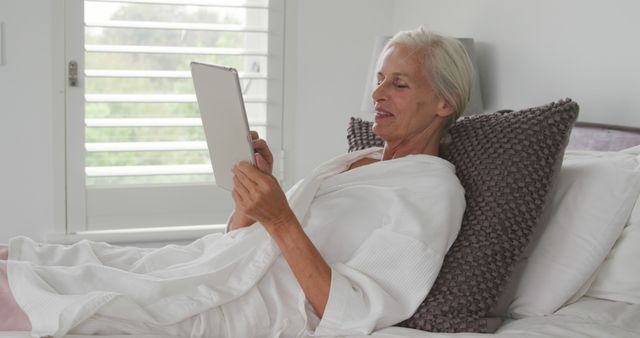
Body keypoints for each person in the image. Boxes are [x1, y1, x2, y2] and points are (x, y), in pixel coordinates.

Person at [1, 27, 472, 337]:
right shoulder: (357, 160)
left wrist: (282, 217)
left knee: (76, 301)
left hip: (255, 309)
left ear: (444, 104)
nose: (377, 94)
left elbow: (355, 311)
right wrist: (255, 195)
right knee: (64, 260)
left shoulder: (432, 191)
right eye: (379, 78)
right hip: (216, 266)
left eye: (400, 84)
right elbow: (243, 244)